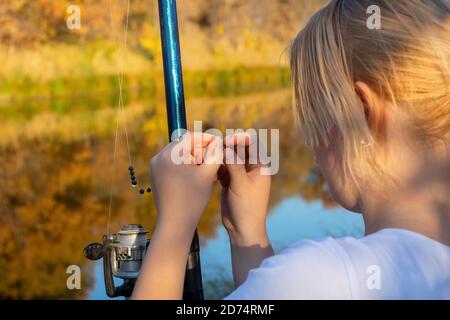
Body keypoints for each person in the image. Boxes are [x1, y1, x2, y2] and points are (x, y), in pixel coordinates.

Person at [131, 0, 450, 299]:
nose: (311, 143)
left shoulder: (324, 278)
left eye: (317, 117)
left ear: (362, 113)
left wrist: (173, 228)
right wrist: (247, 233)